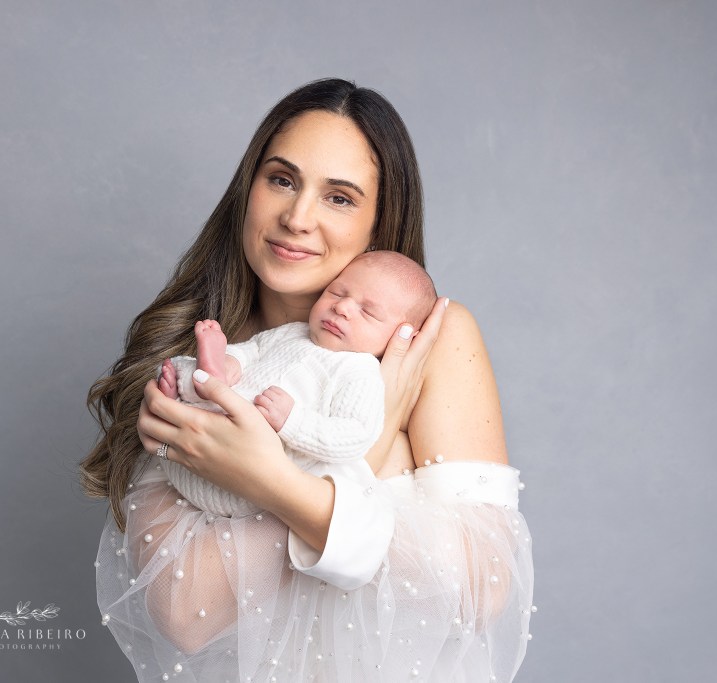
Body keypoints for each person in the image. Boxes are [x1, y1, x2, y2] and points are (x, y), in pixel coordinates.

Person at [82, 78, 534, 682]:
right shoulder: (192, 358)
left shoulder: (427, 340)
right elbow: (184, 612)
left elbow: (486, 587)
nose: (297, 218)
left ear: (379, 222)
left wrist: (270, 482)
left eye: (340, 198)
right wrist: (374, 448)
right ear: (249, 191)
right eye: (282, 180)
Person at [158, 250, 437, 518]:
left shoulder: (361, 373)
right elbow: (254, 348)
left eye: (368, 312)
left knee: (223, 398)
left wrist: (292, 421)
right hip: (188, 451)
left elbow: (354, 435)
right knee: (189, 366)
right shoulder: (296, 332)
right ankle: (200, 381)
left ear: (401, 335)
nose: (342, 307)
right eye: (336, 292)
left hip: (246, 480)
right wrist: (232, 362)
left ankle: (200, 386)